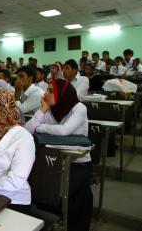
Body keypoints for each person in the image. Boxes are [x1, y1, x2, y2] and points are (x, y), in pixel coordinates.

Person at [25, 79, 92, 231]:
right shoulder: (49, 108)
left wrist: (40, 127)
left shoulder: (79, 108)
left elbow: (64, 131)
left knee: (64, 193)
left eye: (50, 90)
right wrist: (42, 110)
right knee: (38, 188)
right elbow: (27, 130)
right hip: (53, 162)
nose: (45, 93)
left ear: (62, 93)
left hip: (77, 163)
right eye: (46, 90)